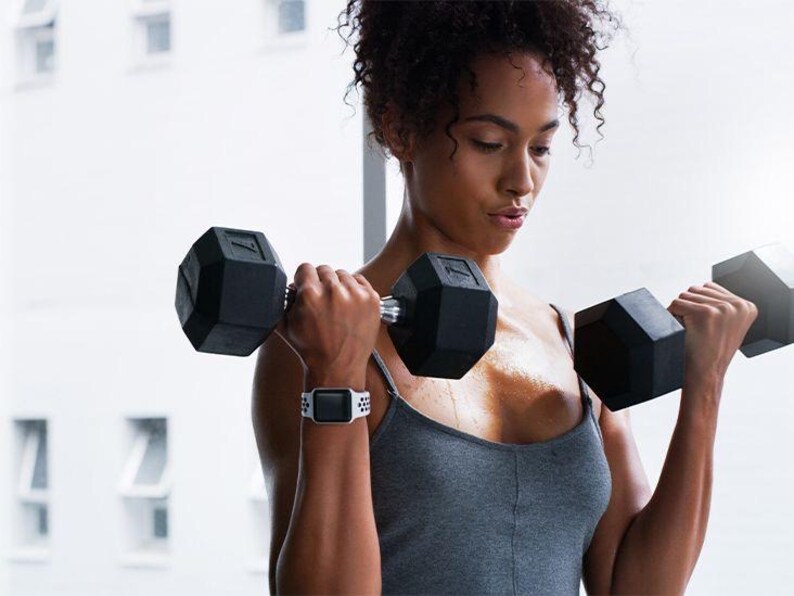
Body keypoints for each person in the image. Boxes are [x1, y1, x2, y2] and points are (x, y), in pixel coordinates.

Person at [252, 1, 759, 594]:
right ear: (397, 127)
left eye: (541, 148)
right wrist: (335, 377)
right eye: (489, 142)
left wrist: (706, 386)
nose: (521, 180)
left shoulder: (567, 340)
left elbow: (636, 588)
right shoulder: (320, 340)